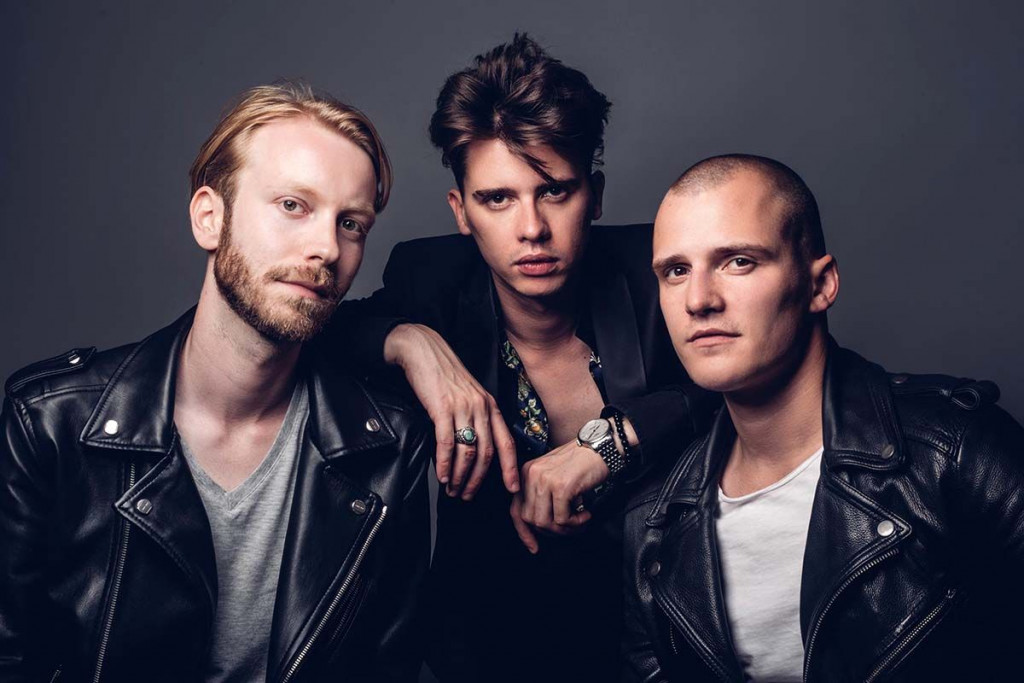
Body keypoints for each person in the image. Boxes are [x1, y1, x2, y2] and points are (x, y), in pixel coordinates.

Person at [0, 82, 431, 683]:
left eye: (352, 223)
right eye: (293, 205)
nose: (327, 248)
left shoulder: (389, 448)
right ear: (210, 217)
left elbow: (389, 670)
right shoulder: (51, 421)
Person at [334, 34, 712, 682]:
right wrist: (412, 343)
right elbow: (324, 333)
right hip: (484, 647)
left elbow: (758, 373)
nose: (531, 228)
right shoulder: (430, 282)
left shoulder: (658, 274)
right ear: (462, 211)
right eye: (498, 199)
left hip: (665, 638)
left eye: (554, 191)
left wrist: (615, 440)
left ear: (594, 195)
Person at [624, 154, 1024, 682]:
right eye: (676, 271)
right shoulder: (652, 525)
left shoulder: (955, 454)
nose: (698, 300)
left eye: (738, 261)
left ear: (821, 285)